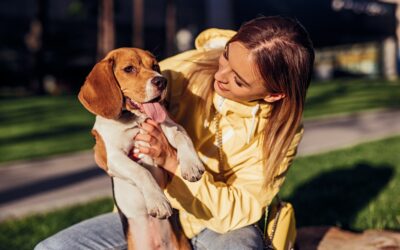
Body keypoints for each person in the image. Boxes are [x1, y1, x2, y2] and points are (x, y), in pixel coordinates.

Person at [35, 16, 314, 250]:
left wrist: (172, 161)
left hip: (215, 224)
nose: (221, 75)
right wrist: (105, 148)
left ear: (273, 94)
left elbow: (239, 212)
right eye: (225, 57)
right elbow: (116, 98)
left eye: (238, 80)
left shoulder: (281, 133)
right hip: (146, 213)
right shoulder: (183, 70)